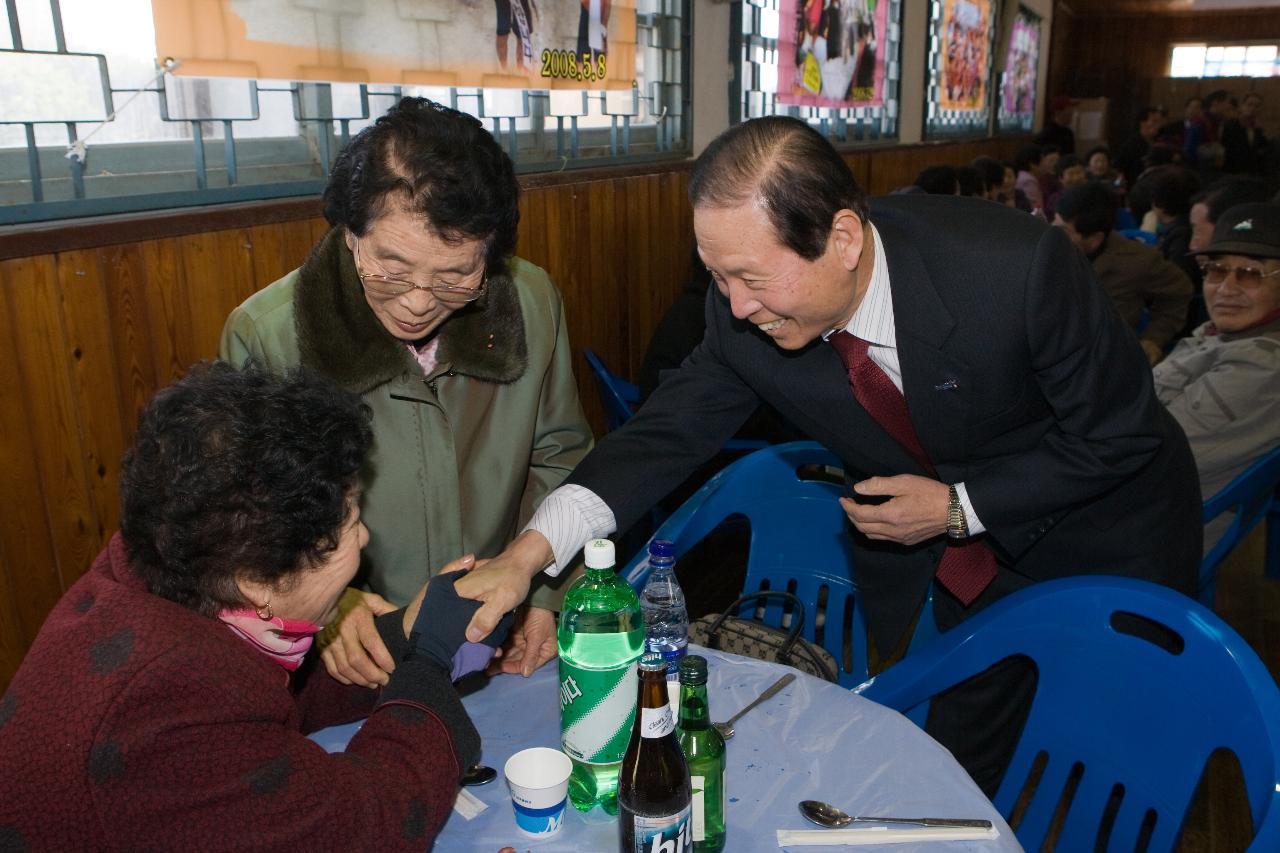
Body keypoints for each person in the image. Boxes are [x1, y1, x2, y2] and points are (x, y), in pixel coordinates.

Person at [455, 116, 1202, 795]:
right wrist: (527, 553)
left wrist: (955, 507)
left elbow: (1122, 434)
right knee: (961, 756)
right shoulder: (745, 314)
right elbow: (662, 434)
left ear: (842, 239)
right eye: (717, 274)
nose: (735, 304)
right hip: (967, 567)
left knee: (1119, 765)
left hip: (1109, 527)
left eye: (750, 276)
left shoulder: (1013, 270)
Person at [0, 363, 498, 850]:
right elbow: (371, 822)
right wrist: (429, 664)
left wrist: (401, 635)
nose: (365, 536)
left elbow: (262, 698)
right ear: (258, 581)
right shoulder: (164, 710)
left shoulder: (161, 564)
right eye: (348, 524)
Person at [220, 98, 593, 685]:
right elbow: (253, 524)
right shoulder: (268, 336)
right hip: (358, 654)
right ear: (350, 234)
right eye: (391, 267)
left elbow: (558, 456)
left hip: (492, 632)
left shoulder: (531, 302)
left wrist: (543, 591)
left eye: (454, 275)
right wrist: (331, 605)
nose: (419, 302)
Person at [1154, 202, 1280, 552]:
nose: (1226, 288)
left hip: (1149, 535)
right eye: (1216, 270)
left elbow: (1145, 454)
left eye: (1250, 273)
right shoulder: (1222, 333)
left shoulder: (1261, 367)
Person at [1054, 182, 1192, 365]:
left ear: (1095, 239)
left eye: (1064, 231)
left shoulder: (1137, 261)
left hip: (1102, 361)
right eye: (1054, 223)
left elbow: (1180, 291)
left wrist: (1154, 337)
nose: (1053, 235)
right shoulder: (1046, 248)